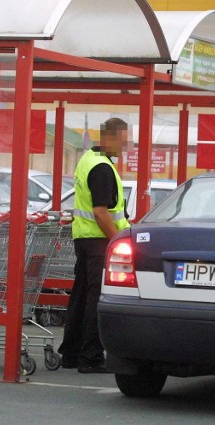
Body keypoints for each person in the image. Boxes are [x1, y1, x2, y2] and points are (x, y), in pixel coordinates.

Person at [58, 117, 131, 373]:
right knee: (95, 299)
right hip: (100, 241)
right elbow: (101, 212)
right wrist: (117, 242)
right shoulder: (102, 167)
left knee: (80, 296)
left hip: (84, 239)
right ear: (109, 137)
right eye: (122, 143)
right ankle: (90, 357)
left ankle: (71, 353)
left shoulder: (88, 159)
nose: (124, 149)